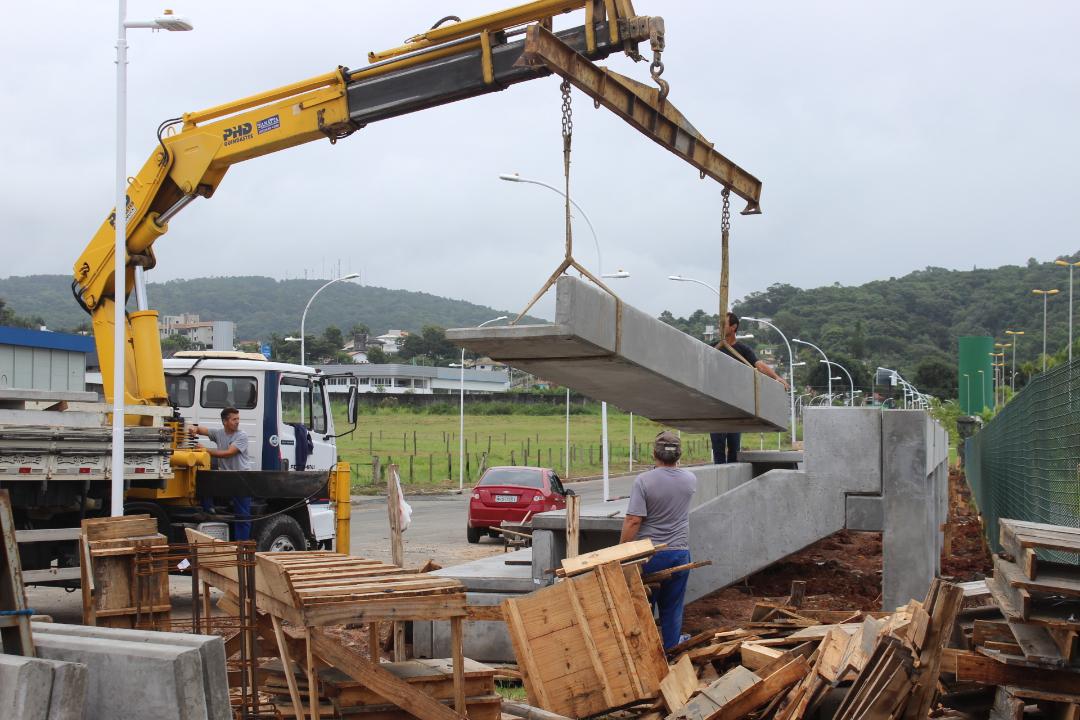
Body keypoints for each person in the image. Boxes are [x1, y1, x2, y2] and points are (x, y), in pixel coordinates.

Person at [620, 430, 697, 649]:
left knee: (643, 606)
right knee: (672, 606)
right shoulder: (690, 479)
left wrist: (621, 550)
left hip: (650, 555)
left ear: (654, 453)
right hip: (680, 554)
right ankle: (671, 647)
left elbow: (634, 520)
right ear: (679, 455)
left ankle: (644, 651)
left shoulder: (644, 481)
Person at [711, 312, 789, 464]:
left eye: (724, 324)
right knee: (718, 447)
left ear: (733, 327)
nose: (720, 327)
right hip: (717, 405)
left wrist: (776, 377)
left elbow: (758, 365)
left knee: (734, 449)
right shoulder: (714, 347)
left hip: (736, 406)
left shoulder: (743, 349)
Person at [192, 407, 254, 541]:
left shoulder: (241, 436)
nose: (237, 422)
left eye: (238, 419)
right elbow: (204, 430)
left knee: (242, 515)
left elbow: (228, 453)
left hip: (241, 478)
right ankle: (208, 510)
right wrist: (194, 429)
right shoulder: (219, 434)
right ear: (225, 422)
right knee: (205, 480)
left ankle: (241, 546)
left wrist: (205, 450)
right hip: (226, 477)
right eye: (234, 419)